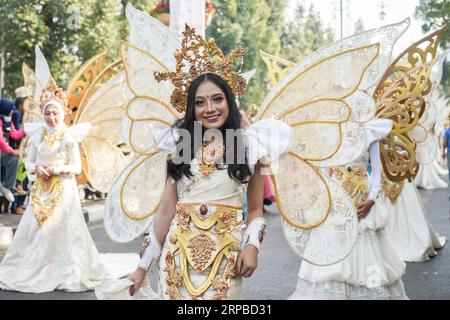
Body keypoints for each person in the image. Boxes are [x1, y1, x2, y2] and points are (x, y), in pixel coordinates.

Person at [96, 25, 290, 300]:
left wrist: (252, 246)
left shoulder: (248, 146)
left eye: (217, 99)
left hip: (225, 262)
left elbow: (256, 209)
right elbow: (166, 211)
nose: (209, 108)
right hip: (175, 259)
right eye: (200, 102)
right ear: (192, 109)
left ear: (229, 102)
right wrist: (141, 268)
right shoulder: (181, 144)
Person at [0, 80, 136, 293]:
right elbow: (28, 160)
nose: (51, 117)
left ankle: (60, 269)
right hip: (40, 191)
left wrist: (52, 169)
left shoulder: (69, 136)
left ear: (61, 113)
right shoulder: (38, 134)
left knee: (63, 232)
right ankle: (33, 268)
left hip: (63, 191)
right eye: (47, 113)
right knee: (35, 230)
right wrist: (36, 168)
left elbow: (76, 166)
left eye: (55, 113)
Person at [288, 119, 408, 299]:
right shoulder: (331, 132)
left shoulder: (370, 132)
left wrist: (371, 200)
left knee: (364, 246)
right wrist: (326, 199)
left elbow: (376, 172)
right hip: (337, 201)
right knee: (334, 247)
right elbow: (326, 171)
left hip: (362, 200)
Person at [0, 99, 22, 203]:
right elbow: (0, 141)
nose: (12, 111)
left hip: (3, 153)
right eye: (10, 109)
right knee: (14, 155)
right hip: (2, 150)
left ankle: (7, 186)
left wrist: (25, 129)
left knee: (15, 159)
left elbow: (14, 134)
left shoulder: (7, 120)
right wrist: (12, 151)